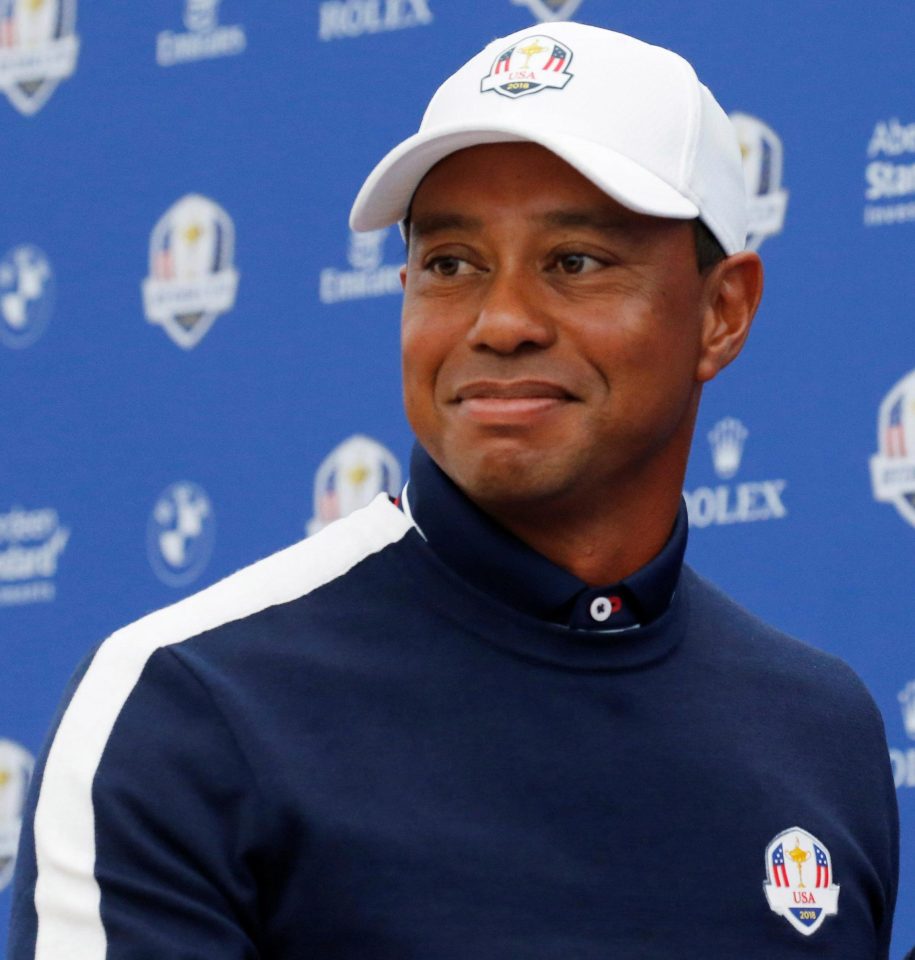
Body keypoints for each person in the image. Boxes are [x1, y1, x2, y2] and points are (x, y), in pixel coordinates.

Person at [8, 22, 898, 960]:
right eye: (451, 265)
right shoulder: (187, 706)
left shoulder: (818, 729)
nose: (501, 320)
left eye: (574, 262)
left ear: (721, 313)